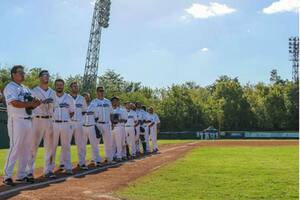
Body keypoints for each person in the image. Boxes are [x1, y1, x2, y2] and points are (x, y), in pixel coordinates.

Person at [3, 65, 41, 186]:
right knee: (15, 147)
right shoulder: (10, 86)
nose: (23, 74)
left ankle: (21, 175)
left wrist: (36, 102)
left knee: (26, 149)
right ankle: (7, 176)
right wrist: (30, 103)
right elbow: (14, 103)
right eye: (20, 72)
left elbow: (32, 103)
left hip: (28, 120)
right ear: (13, 74)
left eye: (23, 72)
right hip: (17, 120)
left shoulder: (25, 88)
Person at [28, 70, 56, 179]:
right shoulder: (34, 91)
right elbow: (31, 106)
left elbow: (55, 107)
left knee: (49, 147)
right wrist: (43, 102)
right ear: (40, 77)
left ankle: (47, 170)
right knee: (33, 146)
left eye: (48, 75)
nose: (46, 77)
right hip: (37, 120)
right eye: (44, 75)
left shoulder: (52, 92)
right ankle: (29, 172)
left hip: (49, 120)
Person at [52, 79, 75, 175]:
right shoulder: (51, 96)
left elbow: (72, 111)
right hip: (53, 124)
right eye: (57, 85)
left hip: (65, 123)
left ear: (63, 86)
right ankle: (49, 168)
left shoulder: (68, 97)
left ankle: (68, 167)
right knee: (52, 147)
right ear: (55, 86)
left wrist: (65, 119)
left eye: (61, 85)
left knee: (66, 146)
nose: (59, 86)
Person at [91, 86, 114, 163]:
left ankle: (109, 158)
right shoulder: (94, 102)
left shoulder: (108, 102)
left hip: (107, 124)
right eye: (100, 91)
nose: (102, 92)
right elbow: (91, 113)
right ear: (97, 92)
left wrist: (112, 122)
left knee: (108, 142)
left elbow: (111, 113)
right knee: (95, 142)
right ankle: (95, 158)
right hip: (98, 124)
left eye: (103, 91)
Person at [69, 82, 88, 170]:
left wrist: (80, 119)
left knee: (80, 144)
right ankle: (63, 163)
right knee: (66, 144)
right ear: (70, 88)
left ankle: (82, 162)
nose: (75, 88)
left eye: (77, 86)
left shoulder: (82, 98)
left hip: (79, 123)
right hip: (69, 122)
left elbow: (84, 110)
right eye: (74, 86)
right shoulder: (66, 97)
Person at [82, 92, 102, 166]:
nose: (86, 98)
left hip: (91, 126)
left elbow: (97, 116)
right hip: (83, 127)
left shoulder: (93, 106)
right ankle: (82, 161)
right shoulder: (81, 106)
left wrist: (93, 123)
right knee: (82, 145)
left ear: (90, 98)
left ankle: (97, 160)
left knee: (94, 145)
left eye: (87, 96)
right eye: (84, 96)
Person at [111, 96, 127, 162]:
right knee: (112, 143)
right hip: (111, 127)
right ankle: (113, 155)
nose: (114, 102)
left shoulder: (122, 110)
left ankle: (119, 156)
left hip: (119, 126)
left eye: (116, 101)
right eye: (113, 101)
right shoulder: (110, 109)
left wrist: (118, 119)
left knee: (119, 143)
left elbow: (125, 120)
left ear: (118, 101)